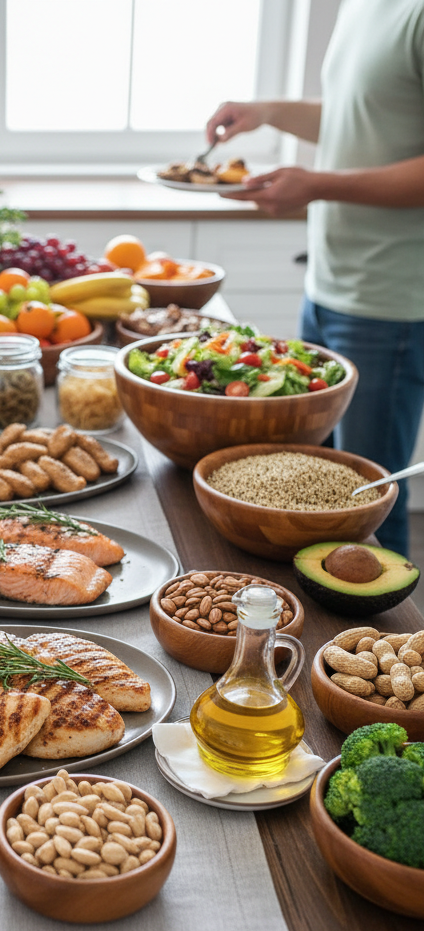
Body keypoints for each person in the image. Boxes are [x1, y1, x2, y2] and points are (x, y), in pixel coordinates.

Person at [204, 0, 424, 559]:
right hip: (329, 286)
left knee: (366, 511)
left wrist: (317, 184)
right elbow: (364, 113)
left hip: (390, 303)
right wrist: (268, 112)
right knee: (311, 495)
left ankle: (391, 643)